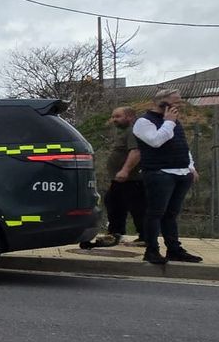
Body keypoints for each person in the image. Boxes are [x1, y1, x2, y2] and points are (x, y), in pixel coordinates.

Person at [132, 88, 202, 265]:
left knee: (171, 214)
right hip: (159, 173)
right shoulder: (143, 122)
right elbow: (155, 141)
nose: (179, 105)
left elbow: (182, 145)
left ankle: (174, 249)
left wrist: (190, 166)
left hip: (181, 172)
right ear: (161, 102)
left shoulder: (174, 121)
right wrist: (169, 122)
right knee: (155, 213)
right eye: (175, 102)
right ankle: (152, 250)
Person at [85, 107, 146, 248]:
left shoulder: (132, 132)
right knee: (113, 203)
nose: (114, 120)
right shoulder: (123, 133)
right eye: (113, 117)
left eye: (118, 116)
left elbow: (136, 152)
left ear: (130, 117)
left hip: (132, 179)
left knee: (137, 208)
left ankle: (145, 236)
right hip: (119, 180)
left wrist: (125, 170)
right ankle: (114, 233)